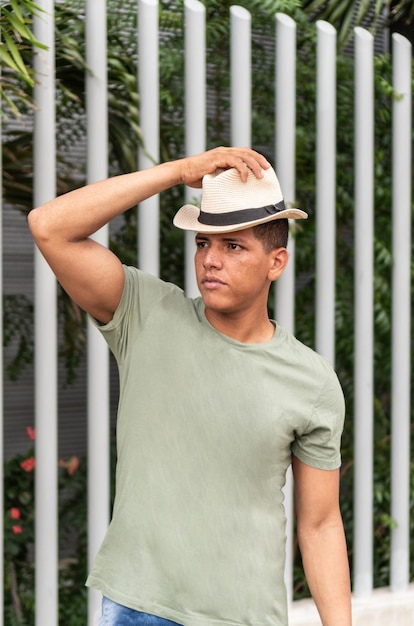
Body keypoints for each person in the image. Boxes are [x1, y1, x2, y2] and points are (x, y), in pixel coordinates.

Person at [28, 146, 352, 626]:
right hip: (138, 607)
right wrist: (178, 172)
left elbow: (321, 524)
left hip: (244, 616)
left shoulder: (312, 380)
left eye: (233, 246)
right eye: (203, 243)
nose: (210, 260)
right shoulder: (145, 313)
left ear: (276, 261)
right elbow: (48, 226)